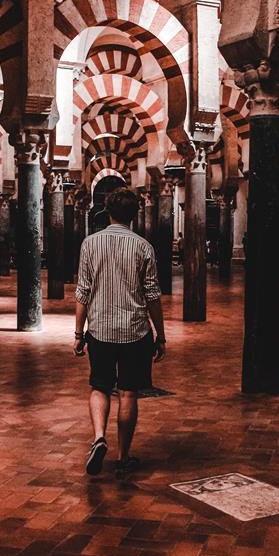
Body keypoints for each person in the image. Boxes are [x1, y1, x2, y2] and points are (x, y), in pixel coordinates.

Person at [74, 187, 167, 478]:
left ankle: (99, 437)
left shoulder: (90, 244)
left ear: (108, 211)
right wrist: (160, 335)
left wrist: (79, 333)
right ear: (134, 214)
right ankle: (123, 456)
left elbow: (82, 293)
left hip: (100, 329)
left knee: (99, 386)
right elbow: (152, 296)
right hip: (135, 331)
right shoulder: (143, 247)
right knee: (128, 392)